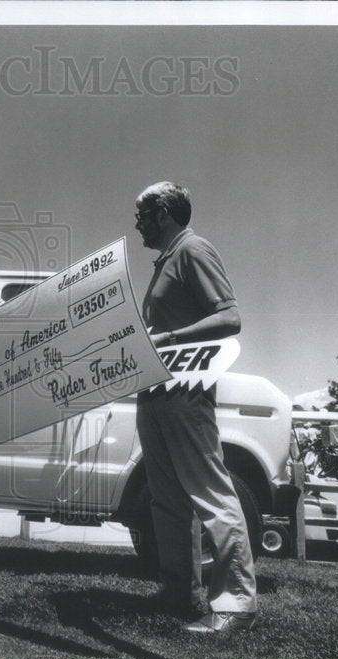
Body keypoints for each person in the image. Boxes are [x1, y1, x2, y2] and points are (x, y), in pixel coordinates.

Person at [133, 181, 257, 634]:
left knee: (210, 492)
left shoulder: (194, 250)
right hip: (157, 391)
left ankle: (235, 604)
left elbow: (229, 317)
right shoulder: (166, 261)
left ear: (163, 213)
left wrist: (165, 338)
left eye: (142, 215)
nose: (138, 224)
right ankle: (177, 592)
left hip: (187, 389)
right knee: (167, 497)